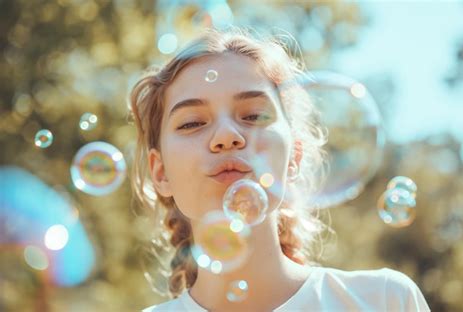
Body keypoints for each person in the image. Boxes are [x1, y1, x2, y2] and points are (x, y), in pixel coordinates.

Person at [130, 27, 430, 311]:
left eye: (253, 115)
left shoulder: (385, 301)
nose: (226, 136)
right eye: (192, 123)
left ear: (293, 157)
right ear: (160, 173)